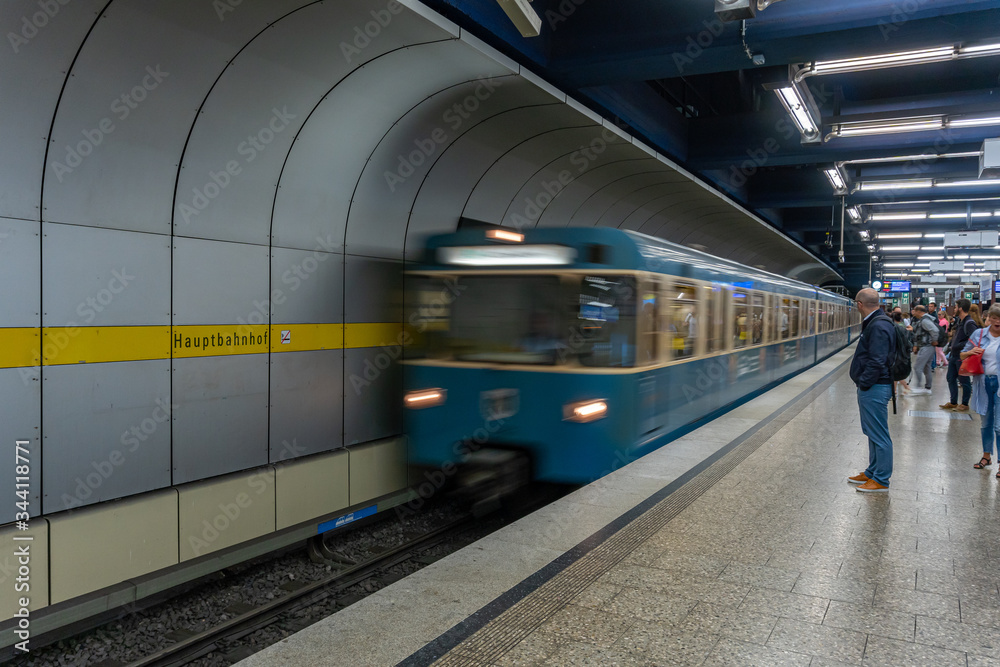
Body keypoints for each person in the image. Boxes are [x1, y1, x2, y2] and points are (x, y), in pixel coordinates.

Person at [848, 288, 895, 493]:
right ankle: (872, 471)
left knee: (879, 435)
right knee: (872, 432)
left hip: (875, 387)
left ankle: (881, 480)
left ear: (859, 304)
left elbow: (877, 360)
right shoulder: (878, 322)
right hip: (874, 386)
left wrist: (864, 382)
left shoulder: (878, 325)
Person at [960, 304, 1000, 474]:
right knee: (986, 422)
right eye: (994, 317)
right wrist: (971, 352)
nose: (997, 321)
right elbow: (962, 354)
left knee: (999, 425)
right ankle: (986, 455)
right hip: (983, 383)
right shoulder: (979, 334)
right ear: (988, 317)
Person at [943, 299, 976, 412]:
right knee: (950, 378)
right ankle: (953, 402)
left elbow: (973, 339)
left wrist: (959, 346)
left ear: (961, 308)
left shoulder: (969, 323)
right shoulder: (960, 321)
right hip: (954, 355)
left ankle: (965, 403)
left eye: (956, 307)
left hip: (961, 356)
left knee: (964, 380)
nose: (955, 309)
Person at [909, 305, 939, 395]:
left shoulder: (925, 321)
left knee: (917, 367)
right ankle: (927, 388)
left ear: (919, 311)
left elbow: (935, 330)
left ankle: (918, 387)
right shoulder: (925, 320)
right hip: (927, 347)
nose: (913, 313)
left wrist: (934, 340)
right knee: (927, 368)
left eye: (915, 310)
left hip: (926, 346)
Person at [892, 310, 911, 396]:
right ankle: (895, 391)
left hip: (896, 353)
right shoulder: (903, 326)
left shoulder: (894, 327)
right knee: (896, 374)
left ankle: (903, 388)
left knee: (896, 374)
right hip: (903, 352)